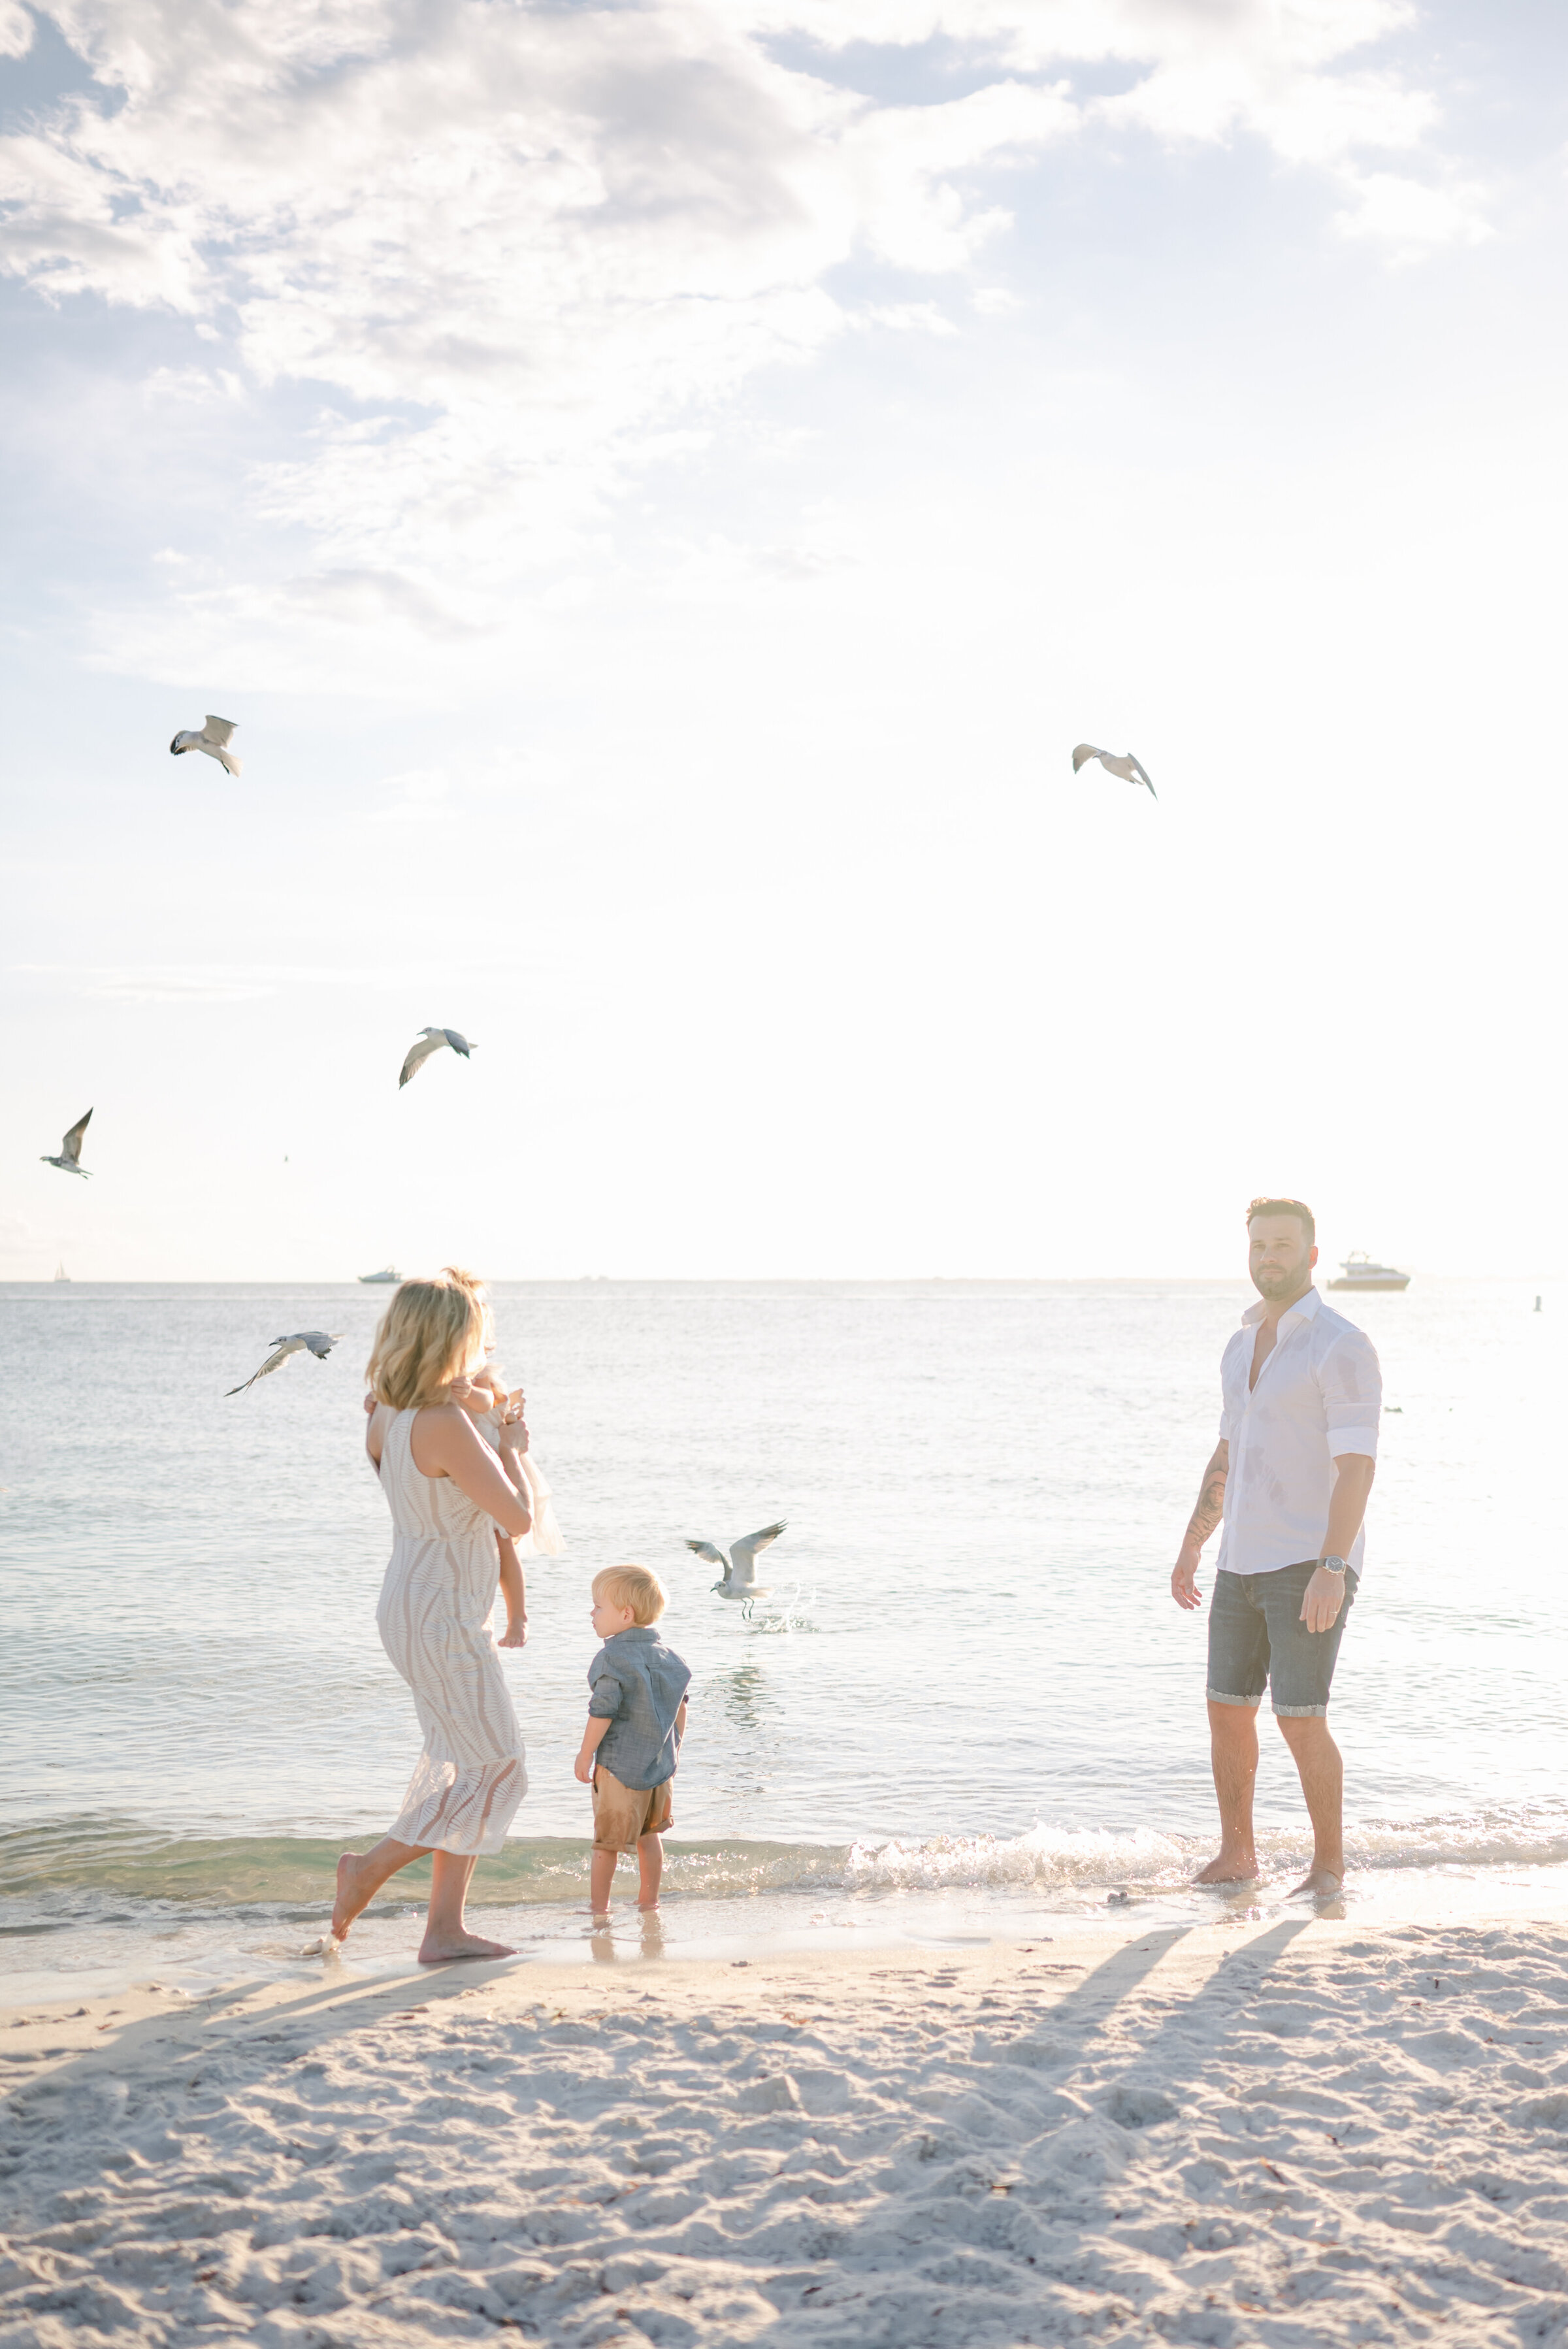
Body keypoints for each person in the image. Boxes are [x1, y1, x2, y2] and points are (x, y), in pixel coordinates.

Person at [1171, 1197, 1381, 1897]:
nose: (1271, 1256)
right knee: (1227, 1709)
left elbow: (1356, 1466)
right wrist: (1194, 1544)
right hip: (1241, 1562)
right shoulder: (1239, 1345)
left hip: (1308, 1561)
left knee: (1300, 1716)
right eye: (1260, 1244)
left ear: (1312, 1254)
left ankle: (1328, 1867)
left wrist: (1332, 1564)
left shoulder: (1339, 1345)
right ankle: (1239, 1856)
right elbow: (1229, 1452)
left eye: (1284, 1244)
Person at [332, 1276, 534, 1962]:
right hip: (443, 1612)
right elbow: (518, 1517)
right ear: (448, 1337)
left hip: (410, 1603)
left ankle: (443, 1930)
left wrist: (481, 1409)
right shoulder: (443, 1423)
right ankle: (368, 1870)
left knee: (465, 1766)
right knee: (501, 1769)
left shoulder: (385, 1413)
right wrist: (511, 1440)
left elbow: (428, 1494)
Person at [574, 1566, 691, 1919]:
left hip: (619, 1768)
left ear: (626, 1614)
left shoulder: (611, 1658)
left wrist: (585, 1753)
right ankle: (648, 1901)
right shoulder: (672, 1658)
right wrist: (676, 1750)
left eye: (598, 1607)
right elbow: (681, 1709)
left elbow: (602, 1711)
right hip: (660, 1768)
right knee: (649, 1836)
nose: (591, 1614)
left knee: (607, 1843)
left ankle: (598, 1909)